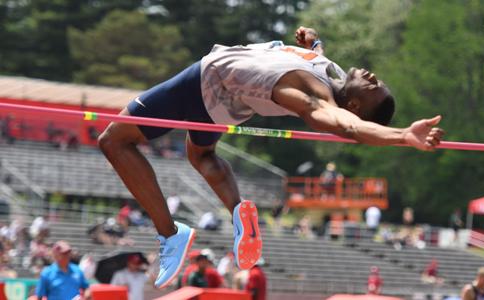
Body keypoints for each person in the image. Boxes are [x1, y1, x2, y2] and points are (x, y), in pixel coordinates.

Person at [97, 25, 445, 289]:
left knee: (114, 141)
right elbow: (317, 56)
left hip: (207, 80)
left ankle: (169, 231)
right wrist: (312, 42)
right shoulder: (337, 77)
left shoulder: (317, 101)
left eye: (372, 87)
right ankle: (238, 212)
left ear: (354, 106)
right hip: (227, 102)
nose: (372, 76)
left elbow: (347, 126)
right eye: (377, 79)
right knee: (201, 155)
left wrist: (402, 136)